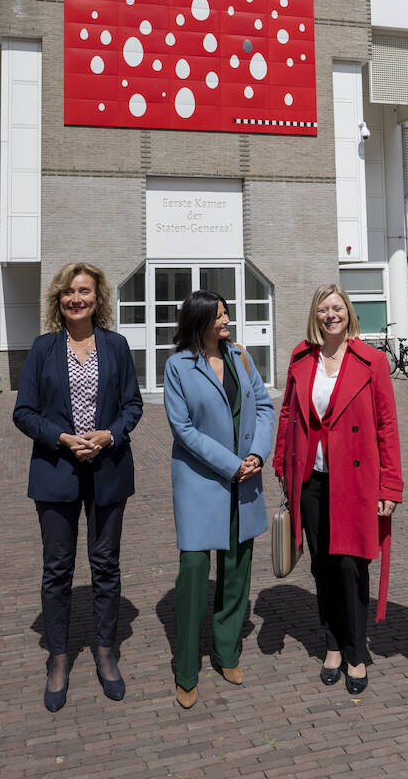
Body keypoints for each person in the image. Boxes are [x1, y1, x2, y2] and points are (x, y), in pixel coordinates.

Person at [13, 262, 142, 712]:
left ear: (97, 297)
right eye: (69, 292)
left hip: (108, 468)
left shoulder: (117, 345)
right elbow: (24, 411)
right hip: (56, 470)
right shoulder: (44, 348)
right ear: (58, 300)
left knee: (105, 565)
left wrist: (109, 435)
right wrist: (63, 438)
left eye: (84, 291)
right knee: (57, 568)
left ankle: (106, 651)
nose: (76, 299)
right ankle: (59, 656)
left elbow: (132, 404)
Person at [273, 284, 403, 695]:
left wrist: (391, 485)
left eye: (338, 308)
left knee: (351, 566)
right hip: (311, 479)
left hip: (356, 481)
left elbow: (387, 426)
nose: (331, 315)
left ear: (348, 312)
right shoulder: (301, 357)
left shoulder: (372, 361)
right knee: (321, 564)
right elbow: (289, 413)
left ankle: (355, 649)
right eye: (324, 309)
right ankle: (331, 643)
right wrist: (280, 462)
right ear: (316, 315)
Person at [164, 290, 274, 709]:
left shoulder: (241, 357)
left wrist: (257, 454)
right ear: (200, 321)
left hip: (245, 477)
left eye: (227, 313)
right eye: (220, 315)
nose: (227, 321)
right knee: (194, 570)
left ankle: (227, 652)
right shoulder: (178, 366)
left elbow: (264, 406)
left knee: (237, 566)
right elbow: (183, 429)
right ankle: (186, 669)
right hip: (200, 480)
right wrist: (231, 463)